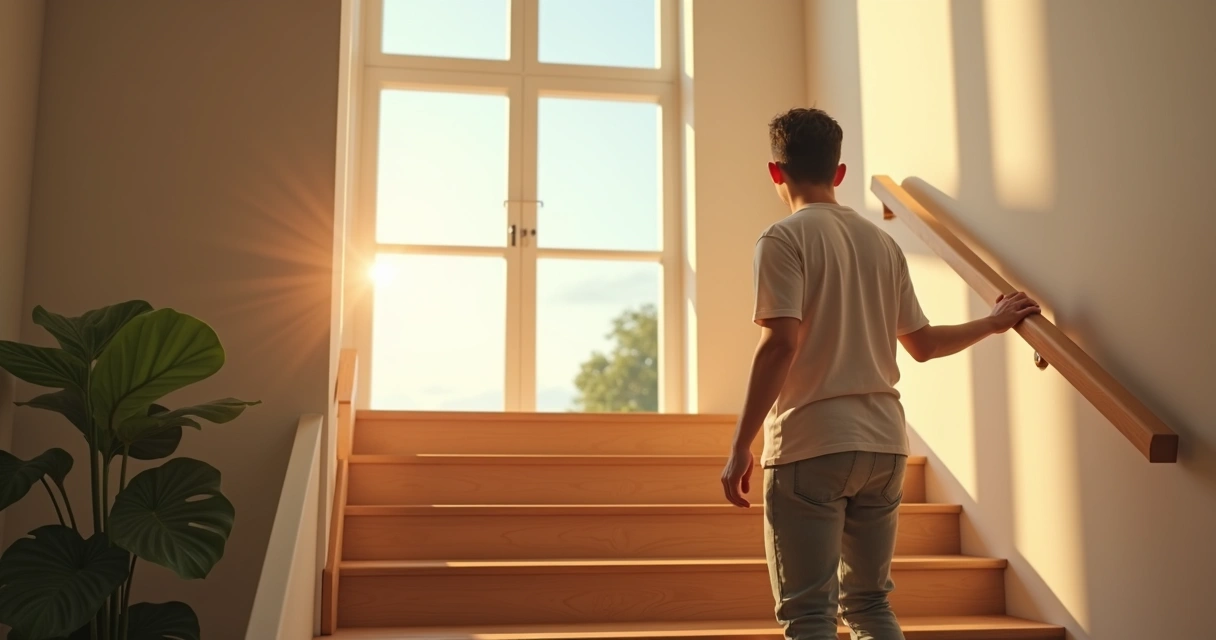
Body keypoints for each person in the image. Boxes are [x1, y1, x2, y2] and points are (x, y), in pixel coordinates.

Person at [719, 107, 1041, 640]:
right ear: (839, 172)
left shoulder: (781, 240)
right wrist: (994, 322)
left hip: (810, 444)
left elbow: (779, 344)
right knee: (869, 606)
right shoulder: (882, 244)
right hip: (883, 446)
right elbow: (924, 344)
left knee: (809, 615)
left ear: (775, 172)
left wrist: (740, 445)